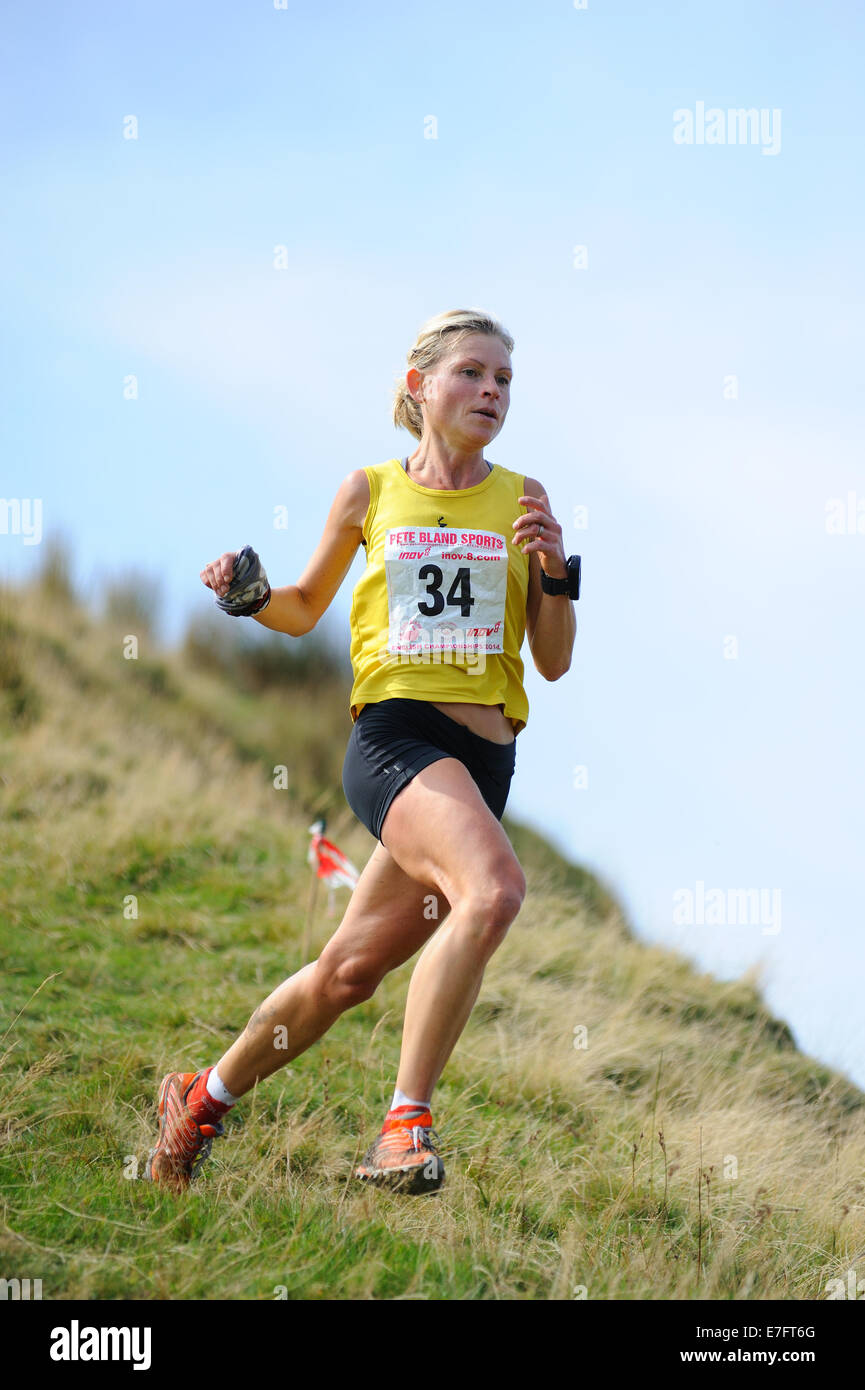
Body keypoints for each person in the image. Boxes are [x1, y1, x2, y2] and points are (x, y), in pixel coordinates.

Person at [146, 308, 579, 1194]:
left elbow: (555, 660)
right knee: (493, 892)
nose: (490, 391)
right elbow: (302, 608)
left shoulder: (524, 499)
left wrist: (557, 573)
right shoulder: (370, 491)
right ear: (419, 386)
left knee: (345, 973)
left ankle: (199, 1099)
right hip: (395, 742)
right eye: (472, 373)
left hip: (481, 767)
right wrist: (248, 595)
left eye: (503, 380)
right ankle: (402, 1127)